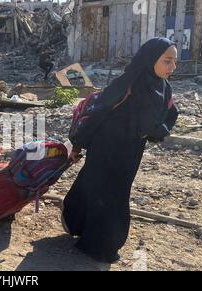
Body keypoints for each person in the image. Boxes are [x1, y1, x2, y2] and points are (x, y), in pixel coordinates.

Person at [62, 37, 179, 263]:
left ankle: (77, 222)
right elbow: (98, 113)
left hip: (131, 150)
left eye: (174, 62)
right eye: (167, 61)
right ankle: (99, 246)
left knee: (104, 189)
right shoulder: (127, 84)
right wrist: (78, 143)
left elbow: (169, 115)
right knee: (106, 194)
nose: (172, 67)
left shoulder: (163, 87)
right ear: (150, 59)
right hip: (106, 147)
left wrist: (157, 131)